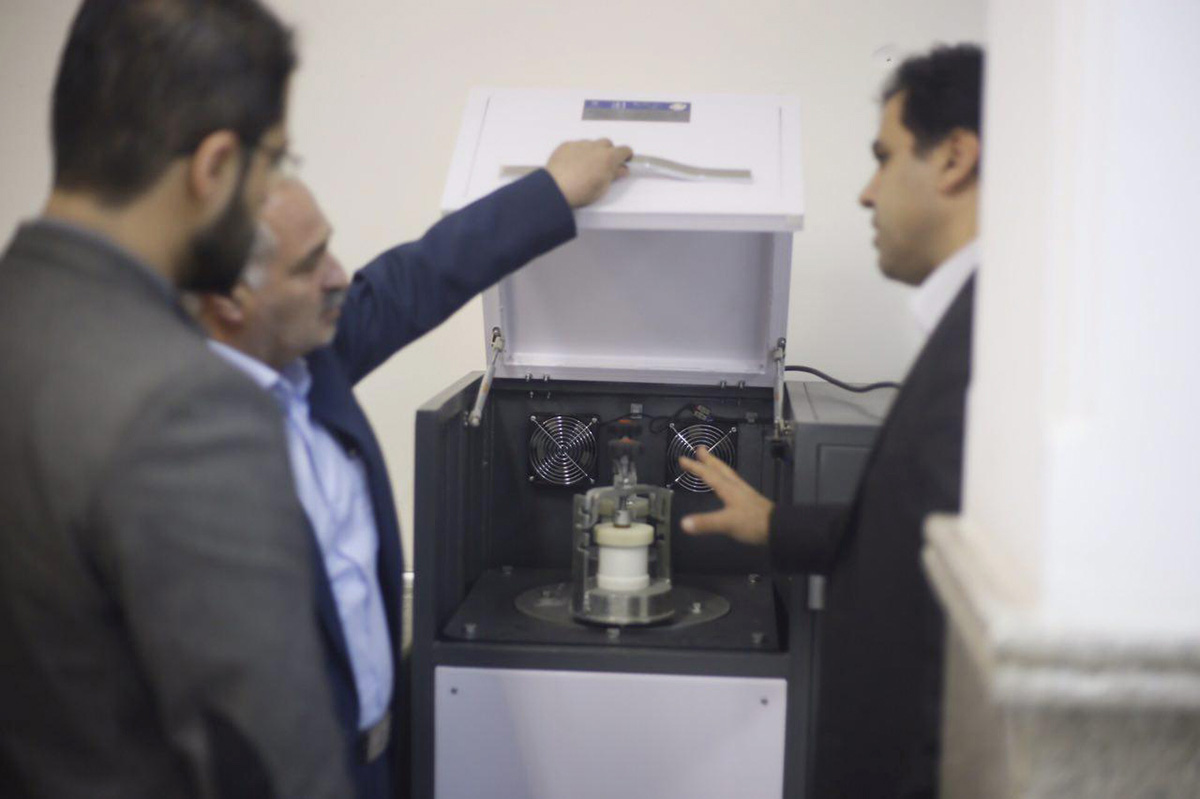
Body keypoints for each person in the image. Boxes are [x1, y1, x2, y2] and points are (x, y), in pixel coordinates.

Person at [188, 143, 631, 799]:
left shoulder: (308, 354)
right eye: (309, 264)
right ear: (231, 300)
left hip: (371, 763)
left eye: (329, 249)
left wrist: (553, 189)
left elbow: (419, 275)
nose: (339, 277)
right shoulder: (177, 442)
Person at [0, 2, 353, 798]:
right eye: (274, 160)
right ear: (215, 166)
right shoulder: (188, 408)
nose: (272, 187)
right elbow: (275, 764)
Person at [678, 44, 984, 799]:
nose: (866, 193)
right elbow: (914, 535)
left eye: (884, 158)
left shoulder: (995, 346)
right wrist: (775, 524)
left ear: (953, 158)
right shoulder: (964, 325)